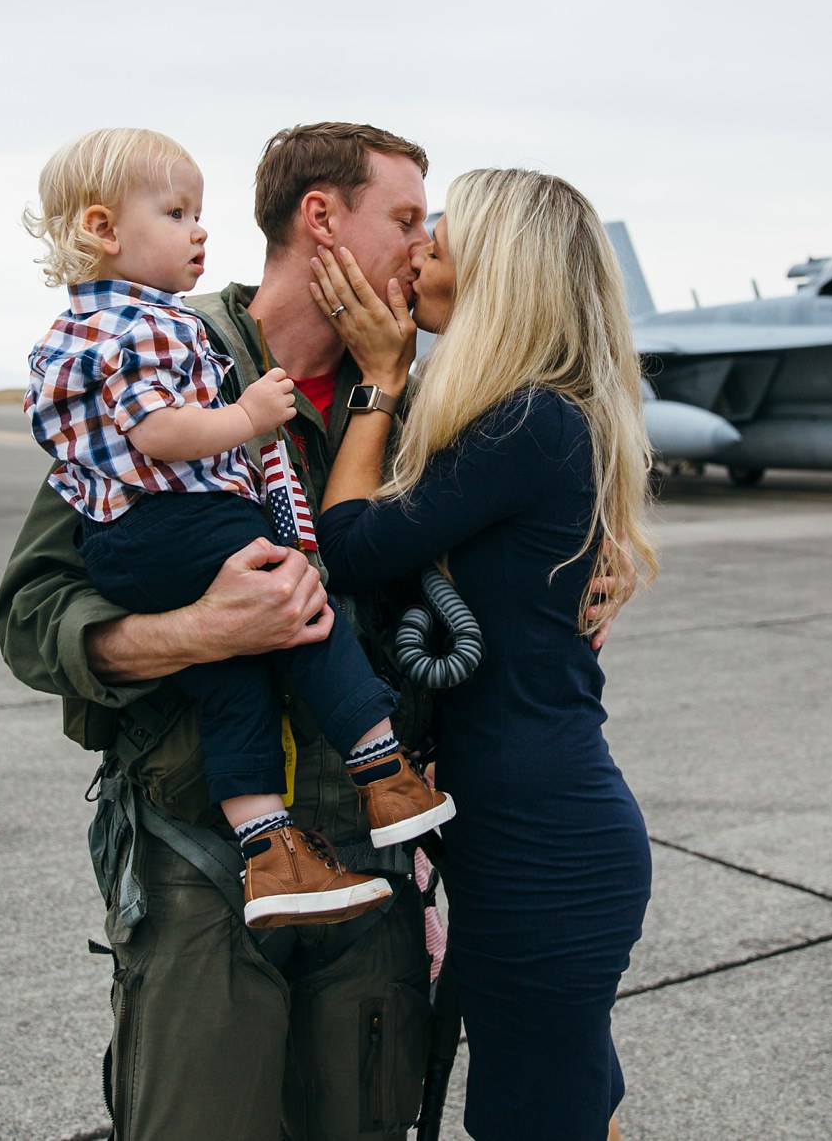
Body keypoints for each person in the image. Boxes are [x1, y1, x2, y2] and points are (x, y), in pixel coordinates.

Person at [0, 122, 442, 1140]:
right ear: (321, 220)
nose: (425, 247)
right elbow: (33, 617)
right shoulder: (154, 350)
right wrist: (196, 630)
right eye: (406, 220)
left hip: (370, 870)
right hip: (201, 864)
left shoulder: (419, 403)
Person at [310, 168, 658, 1141]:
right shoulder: (517, 418)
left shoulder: (528, 422)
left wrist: (378, 380)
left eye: (439, 241)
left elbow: (348, 541)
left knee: (533, 1114)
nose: (416, 251)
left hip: (541, 840)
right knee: (556, 1105)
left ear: (494, 277)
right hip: (531, 822)